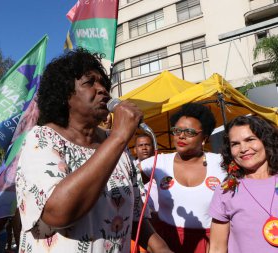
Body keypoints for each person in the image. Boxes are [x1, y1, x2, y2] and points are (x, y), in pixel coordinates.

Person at [15, 48, 172, 253]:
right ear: (64, 95)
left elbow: (134, 217)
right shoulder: (42, 139)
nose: (102, 90)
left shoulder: (116, 146)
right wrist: (118, 137)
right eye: (89, 83)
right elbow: (57, 213)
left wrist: (162, 248)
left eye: (103, 83)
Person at [140, 103, 226, 253]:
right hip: (166, 243)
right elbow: (124, 180)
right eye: (177, 130)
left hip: (211, 243)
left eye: (189, 132)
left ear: (204, 138)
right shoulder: (158, 162)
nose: (181, 136)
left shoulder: (221, 163)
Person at [208, 116, 278, 253]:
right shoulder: (227, 190)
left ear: (266, 141)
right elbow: (216, 247)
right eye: (235, 144)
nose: (243, 148)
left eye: (250, 139)